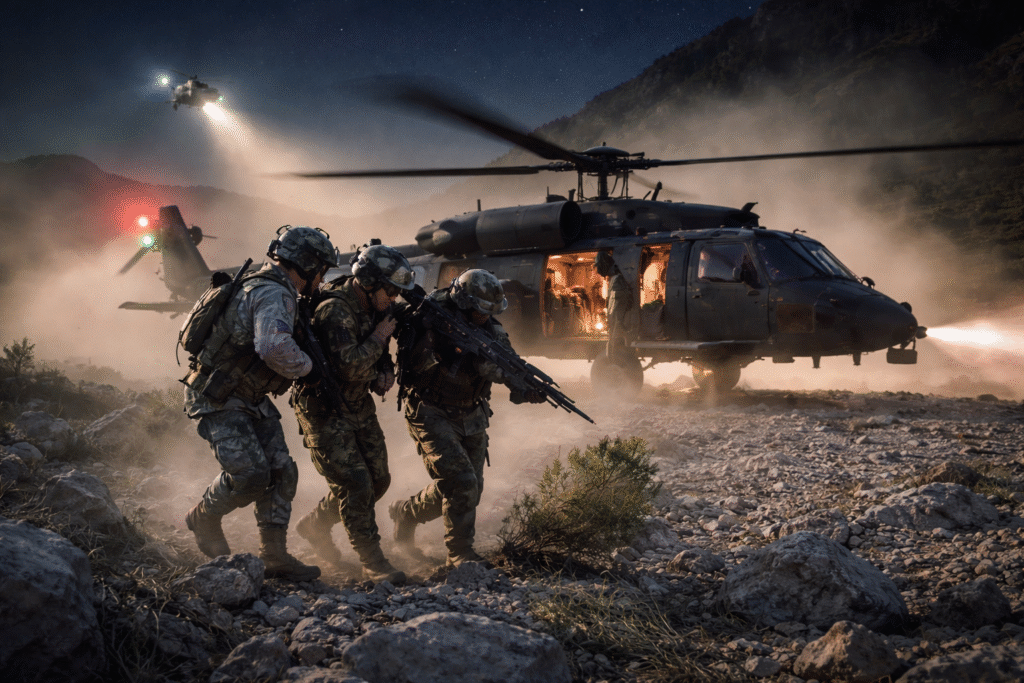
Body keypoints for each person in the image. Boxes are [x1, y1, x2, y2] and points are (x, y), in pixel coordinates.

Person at [181, 225, 337, 582]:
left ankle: (275, 556)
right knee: (251, 475)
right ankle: (203, 516)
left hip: (247, 395)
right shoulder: (273, 294)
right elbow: (273, 347)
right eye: (322, 269)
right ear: (308, 264)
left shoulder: (268, 286)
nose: (323, 277)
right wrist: (309, 370)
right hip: (219, 395)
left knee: (283, 471)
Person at [388, 269, 545, 568]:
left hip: (471, 412)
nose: (485, 317)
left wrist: (525, 389)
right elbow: (392, 323)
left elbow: (507, 363)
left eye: (490, 312)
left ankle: (406, 513)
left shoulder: (490, 331)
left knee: (469, 487)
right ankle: (459, 552)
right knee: (460, 482)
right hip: (429, 408)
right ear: (463, 302)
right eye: (479, 311)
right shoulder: (429, 314)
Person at [293, 243, 414, 584]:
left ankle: (315, 525)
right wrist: (378, 339)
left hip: (357, 403)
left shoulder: (375, 306)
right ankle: (372, 561)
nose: (393, 298)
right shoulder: (335, 310)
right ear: (369, 283)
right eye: (390, 290)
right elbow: (349, 367)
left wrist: (385, 369)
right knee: (357, 484)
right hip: (324, 408)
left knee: (379, 479)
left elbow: (375, 357)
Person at [596, 250, 634, 359]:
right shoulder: (616, 277)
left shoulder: (617, 280)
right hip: (618, 324)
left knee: (616, 327)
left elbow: (616, 312)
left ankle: (615, 356)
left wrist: (614, 338)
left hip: (618, 326)